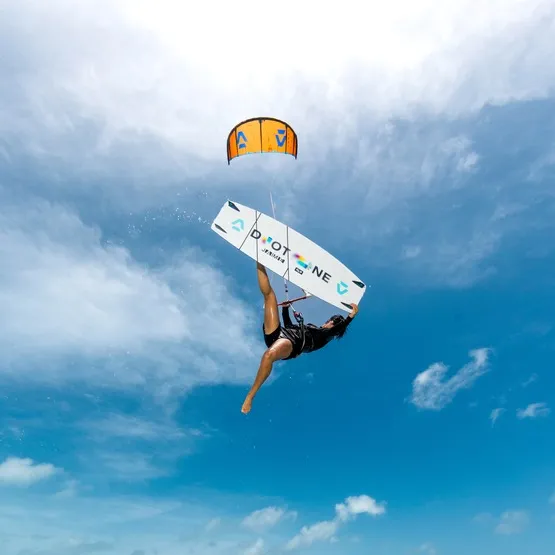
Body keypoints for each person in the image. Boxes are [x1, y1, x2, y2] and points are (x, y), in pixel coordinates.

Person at [241, 262, 359, 414]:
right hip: (280, 333)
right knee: (269, 296)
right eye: (332, 319)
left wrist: (351, 316)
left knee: (268, 356)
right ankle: (259, 262)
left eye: (334, 322)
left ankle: (250, 396)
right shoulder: (312, 327)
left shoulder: (325, 337)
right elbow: (289, 325)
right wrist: (285, 309)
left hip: (291, 344)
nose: (330, 322)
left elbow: (338, 329)